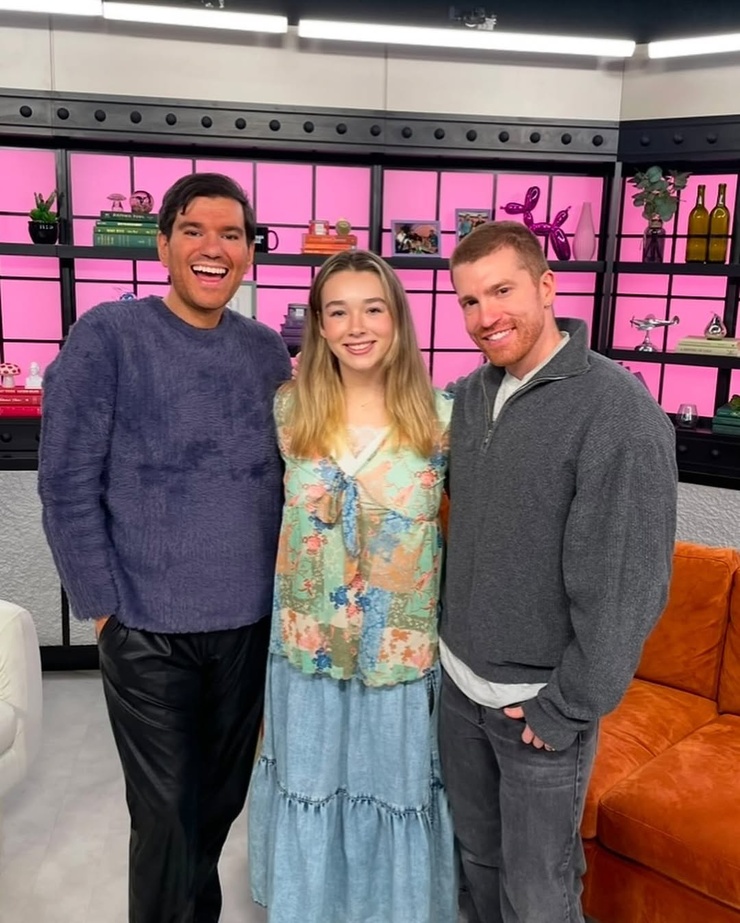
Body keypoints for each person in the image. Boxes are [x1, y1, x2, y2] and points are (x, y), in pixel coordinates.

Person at [38, 172, 291, 923]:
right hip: (146, 626)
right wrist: (103, 610)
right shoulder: (108, 336)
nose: (214, 248)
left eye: (231, 234)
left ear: (249, 252)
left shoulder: (266, 352)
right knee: (166, 817)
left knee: (217, 804)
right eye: (194, 231)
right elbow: (66, 481)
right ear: (162, 244)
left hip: (247, 624)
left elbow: (289, 477)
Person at [438, 220, 678, 923]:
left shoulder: (618, 410)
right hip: (458, 690)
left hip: (537, 708)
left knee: (539, 895)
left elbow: (629, 586)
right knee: (477, 866)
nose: (485, 316)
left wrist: (569, 705)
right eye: (469, 300)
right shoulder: (471, 395)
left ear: (546, 287)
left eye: (502, 291)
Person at [248, 249, 457, 923]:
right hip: (308, 642)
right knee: (309, 777)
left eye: (373, 308)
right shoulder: (289, 413)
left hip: (398, 650)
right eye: (337, 311)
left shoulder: (441, 421)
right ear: (318, 324)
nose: (357, 326)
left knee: (391, 784)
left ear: (398, 317)